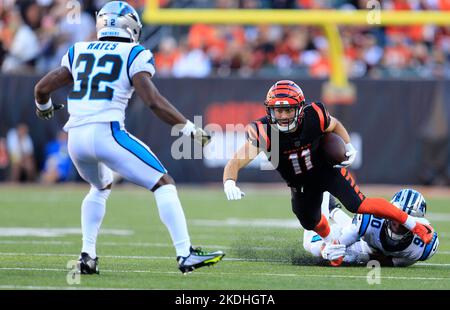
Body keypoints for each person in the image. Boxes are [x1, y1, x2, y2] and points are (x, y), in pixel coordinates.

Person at [34, 1, 224, 275]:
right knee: (164, 183)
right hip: (107, 133)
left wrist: (44, 110)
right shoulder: (134, 52)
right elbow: (153, 101)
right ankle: (185, 254)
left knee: (100, 187)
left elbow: (41, 88)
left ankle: (88, 255)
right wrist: (188, 128)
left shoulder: (78, 50)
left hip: (75, 139)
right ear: (130, 26)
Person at [223, 80, 435, 263]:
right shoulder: (264, 131)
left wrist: (348, 144)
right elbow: (236, 160)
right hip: (300, 184)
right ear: (270, 110)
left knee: (359, 204)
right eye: (278, 110)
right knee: (309, 221)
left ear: (299, 108)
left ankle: (413, 224)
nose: (284, 116)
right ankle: (329, 242)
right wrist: (229, 181)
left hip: (326, 170)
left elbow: (334, 125)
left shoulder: (314, 116)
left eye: (288, 110)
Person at [304, 189, 439, 267]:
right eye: (395, 219)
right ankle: (322, 194)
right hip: (363, 242)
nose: (397, 226)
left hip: (366, 247)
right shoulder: (370, 220)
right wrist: (326, 250)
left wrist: (361, 257)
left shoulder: (423, 247)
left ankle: (332, 209)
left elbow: (392, 262)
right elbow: (336, 245)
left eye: (403, 223)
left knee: (359, 231)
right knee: (315, 248)